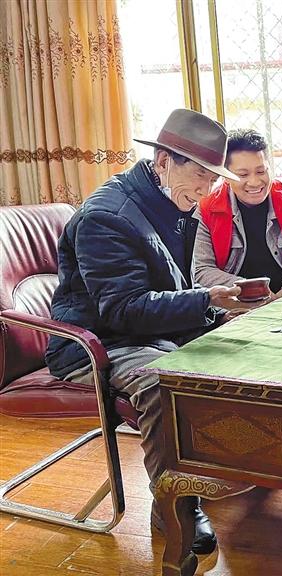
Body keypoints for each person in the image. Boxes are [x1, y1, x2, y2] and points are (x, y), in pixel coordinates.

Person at [46, 109, 246, 555]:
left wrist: (216, 314)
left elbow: (170, 288)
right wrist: (205, 301)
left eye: (213, 178)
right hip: (98, 343)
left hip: (148, 331)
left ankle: (233, 463)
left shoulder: (172, 201)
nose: (207, 189)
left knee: (242, 344)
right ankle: (175, 503)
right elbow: (122, 311)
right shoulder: (108, 217)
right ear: (163, 161)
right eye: (200, 175)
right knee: (164, 383)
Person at [193, 129, 282, 300]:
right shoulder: (205, 209)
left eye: (261, 171)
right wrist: (253, 292)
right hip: (237, 300)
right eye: (243, 175)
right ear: (225, 176)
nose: (254, 182)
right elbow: (201, 269)